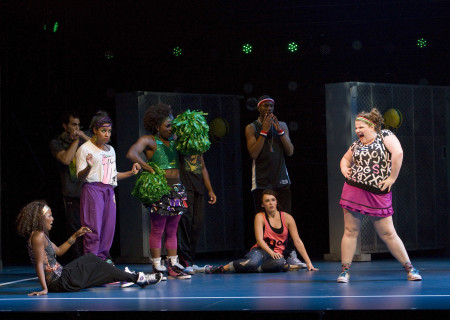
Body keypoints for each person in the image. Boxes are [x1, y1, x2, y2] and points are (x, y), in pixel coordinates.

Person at [337, 108, 421, 283]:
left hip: (378, 192)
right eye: (356, 128)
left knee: (388, 233)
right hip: (354, 189)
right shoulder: (357, 144)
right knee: (350, 231)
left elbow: (398, 153)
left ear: (372, 125)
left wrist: (392, 178)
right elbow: (345, 159)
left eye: (361, 127)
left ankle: (410, 269)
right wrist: (345, 168)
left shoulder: (385, 135)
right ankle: (345, 271)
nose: (357, 131)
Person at [16, 200, 162, 295]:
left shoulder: (41, 235)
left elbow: (59, 251)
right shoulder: (38, 236)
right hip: (59, 281)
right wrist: (44, 289)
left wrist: (75, 235)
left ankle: (133, 278)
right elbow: (39, 264)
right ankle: (135, 278)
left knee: (99, 269)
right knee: (92, 259)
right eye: (49, 216)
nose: (52, 218)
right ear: (40, 218)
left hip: (62, 276)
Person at [127, 103, 191, 280]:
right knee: (157, 229)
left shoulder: (175, 140)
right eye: (168, 126)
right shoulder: (149, 140)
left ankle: (172, 265)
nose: (171, 129)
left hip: (177, 189)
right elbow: (132, 153)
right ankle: (157, 266)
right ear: (157, 126)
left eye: (172, 125)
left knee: (173, 229)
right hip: (160, 190)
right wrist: (148, 167)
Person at [244, 95, 305, 269]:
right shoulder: (251, 127)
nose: (269, 109)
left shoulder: (282, 125)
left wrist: (280, 131)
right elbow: (253, 153)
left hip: (281, 179)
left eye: (271, 106)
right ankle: (266, 255)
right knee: (264, 221)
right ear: (259, 108)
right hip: (262, 181)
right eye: (265, 106)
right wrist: (264, 131)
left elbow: (290, 151)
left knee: (286, 219)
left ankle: (290, 253)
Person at [75, 110, 140, 263]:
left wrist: (130, 173)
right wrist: (89, 167)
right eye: (103, 130)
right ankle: (91, 262)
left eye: (109, 131)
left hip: (108, 190)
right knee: (93, 228)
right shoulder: (85, 149)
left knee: (108, 229)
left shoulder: (111, 150)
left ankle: (102, 261)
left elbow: (112, 175)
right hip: (92, 190)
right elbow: (80, 176)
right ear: (94, 131)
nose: (107, 134)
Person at [205, 189, 318, 274]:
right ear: (262, 204)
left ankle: (256, 269)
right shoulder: (260, 217)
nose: (271, 203)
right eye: (267, 201)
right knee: (252, 262)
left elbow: (297, 241)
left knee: (278, 262)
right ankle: (222, 268)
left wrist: (309, 262)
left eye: (273, 200)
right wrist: (271, 253)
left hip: (278, 254)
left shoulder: (287, 218)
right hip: (261, 251)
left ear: (276, 201)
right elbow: (259, 240)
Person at [49, 111, 90, 260]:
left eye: (79, 125)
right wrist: (75, 141)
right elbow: (66, 159)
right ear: (65, 126)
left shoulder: (84, 139)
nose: (77, 128)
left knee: (92, 227)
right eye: (73, 125)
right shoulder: (56, 143)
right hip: (71, 193)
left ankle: (94, 260)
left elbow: (100, 148)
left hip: (88, 190)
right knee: (75, 229)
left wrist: (82, 137)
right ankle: (80, 262)